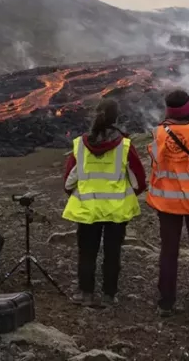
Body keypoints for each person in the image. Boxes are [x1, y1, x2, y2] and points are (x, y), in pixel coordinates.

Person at [62, 98, 147, 307]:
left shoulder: (80, 144)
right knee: (112, 252)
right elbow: (139, 181)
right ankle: (109, 295)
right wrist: (125, 193)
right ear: (115, 118)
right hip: (116, 210)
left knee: (87, 251)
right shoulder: (125, 145)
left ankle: (85, 293)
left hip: (87, 208)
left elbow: (69, 180)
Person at [145, 89, 189, 320]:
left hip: (167, 202)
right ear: (188, 108)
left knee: (168, 252)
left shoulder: (157, 133)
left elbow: (154, 160)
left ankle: (166, 302)